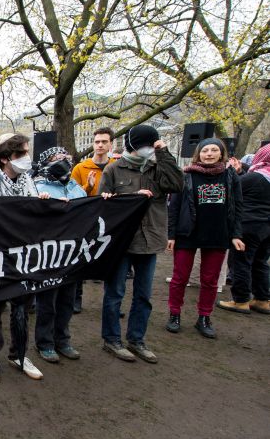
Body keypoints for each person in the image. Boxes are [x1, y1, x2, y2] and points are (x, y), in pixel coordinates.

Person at [0, 133, 50, 385]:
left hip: (26, 257)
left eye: (27, 152)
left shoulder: (30, 184)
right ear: (5, 158)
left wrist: (45, 205)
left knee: (22, 308)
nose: (27, 158)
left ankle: (19, 354)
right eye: (21, 153)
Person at [99, 124, 184, 364]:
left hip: (150, 240)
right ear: (135, 145)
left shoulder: (158, 167)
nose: (151, 148)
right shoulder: (114, 170)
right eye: (148, 144)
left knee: (144, 295)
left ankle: (137, 339)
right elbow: (103, 206)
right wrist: (127, 200)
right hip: (123, 241)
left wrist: (164, 153)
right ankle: (112, 339)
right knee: (115, 293)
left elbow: (177, 185)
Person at [166, 139, 244, 338]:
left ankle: (204, 317)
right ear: (198, 154)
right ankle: (174, 314)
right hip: (187, 233)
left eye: (214, 150)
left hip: (217, 234)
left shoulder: (230, 176)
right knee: (179, 277)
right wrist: (171, 235)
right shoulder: (187, 176)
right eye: (205, 150)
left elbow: (237, 207)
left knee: (210, 280)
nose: (209, 154)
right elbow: (174, 207)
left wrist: (236, 234)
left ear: (221, 153)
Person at [32, 147, 86, 363]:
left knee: (67, 300)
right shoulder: (37, 187)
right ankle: (44, 343)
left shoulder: (77, 188)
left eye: (65, 157)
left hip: (72, 254)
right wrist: (41, 204)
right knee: (47, 302)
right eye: (56, 158)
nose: (62, 161)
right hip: (49, 254)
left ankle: (62, 340)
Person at [217, 144, 270, 315]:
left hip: (249, 226)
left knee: (241, 262)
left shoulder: (254, 178)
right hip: (267, 229)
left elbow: (230, 192)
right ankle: (262, 299)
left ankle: (240, 300)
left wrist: (233, 173)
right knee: (260, 262)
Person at [70, 127, 116, 312]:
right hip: (85, 220)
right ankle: (76, 298)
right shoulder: (80, 168)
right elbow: (72, 194)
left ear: (111, 143)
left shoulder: (117, 166)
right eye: (97, 141)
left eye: (104, 141)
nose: (100, 145)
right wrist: (87, 186)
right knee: (81, 257)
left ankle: (111, 302)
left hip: (111, 220)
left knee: (109, 259)